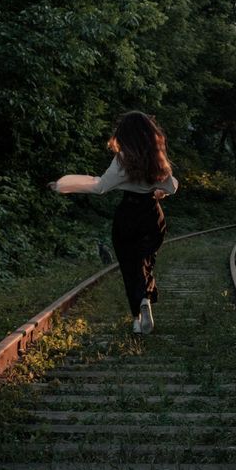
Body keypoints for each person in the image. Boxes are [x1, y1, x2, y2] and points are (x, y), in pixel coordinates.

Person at [48, 111, 178, 335]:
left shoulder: (122, 160)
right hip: (152, 216)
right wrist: (157, 192)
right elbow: (171, 187)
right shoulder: (157, 158)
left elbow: (99, 186)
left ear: (124, 134)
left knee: (130, 266)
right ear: (150, 133)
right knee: (145, 261)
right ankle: (144, 300)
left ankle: (138, 314)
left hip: (128, 216)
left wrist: (62, 184)